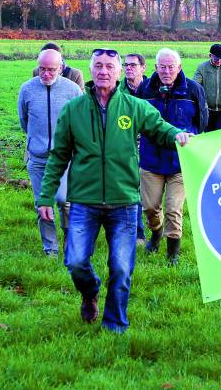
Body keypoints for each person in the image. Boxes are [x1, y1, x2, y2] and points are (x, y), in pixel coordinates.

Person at [37, 47, 192, 333]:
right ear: (91, 70)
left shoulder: (133, 107)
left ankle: (114, 325)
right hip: (85, 200)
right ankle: (90, 291)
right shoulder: (74, 110)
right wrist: (46, 194)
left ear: (119, 72)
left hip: (123, 202)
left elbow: (160, 128)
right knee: (75, 262)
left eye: (110, 66)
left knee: (121, 270)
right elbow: (59, 155)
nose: (104, 71)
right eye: (98, 65)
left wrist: (178, 135)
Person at [137, 48, 208, 264]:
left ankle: (172, 255)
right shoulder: (145, 89)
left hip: (180, 162)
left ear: (179, 67)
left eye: (171, 67)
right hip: (151, 160)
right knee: (150, 208)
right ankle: (156, 232)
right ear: (155, 67)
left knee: (173, 209)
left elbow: (202, 122)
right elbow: (138, 118)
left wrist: (191, 138)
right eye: (162, 67)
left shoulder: (194, 90)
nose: (167, 71)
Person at [18, 49, 82, 257]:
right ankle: (50, 249)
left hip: (64, 158)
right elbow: (24, 121)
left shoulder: (73, 91)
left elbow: (81, 122)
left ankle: (69, 243)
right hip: (37, 158)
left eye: (51, 70)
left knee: (65, 200)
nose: (46, 74)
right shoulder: (26, 90)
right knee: (42, 205)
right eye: (42, 69)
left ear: (61, 68)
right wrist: (36, 142)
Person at [119, 53, 149, 245]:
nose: (129, 68)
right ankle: (137, 233)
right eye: (126, 65)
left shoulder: (153, 89)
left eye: (133, 65)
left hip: (150, 147)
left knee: (150, 197)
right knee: (131, 190)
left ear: (143, 68)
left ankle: (156, 225)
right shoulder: (117, 91)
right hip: (126, 148)